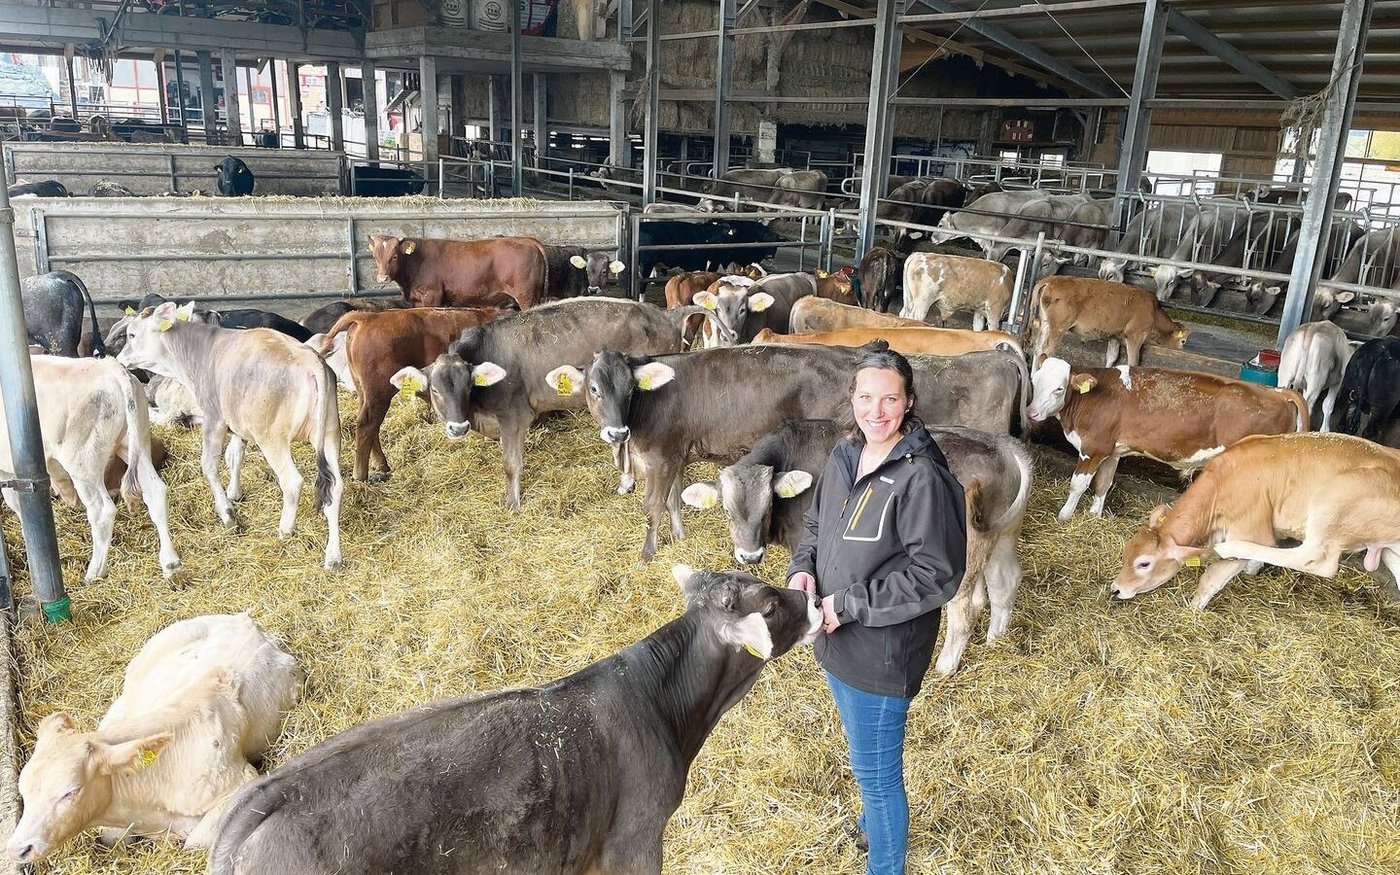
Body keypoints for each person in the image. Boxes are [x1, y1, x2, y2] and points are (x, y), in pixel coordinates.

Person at [786, 345, 967, 875]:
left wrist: (848, 603)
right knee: (864, 755)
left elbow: (936, 574)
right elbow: (817, 527)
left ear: (909, 402)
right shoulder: (845, 455)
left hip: (882, 654)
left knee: (878, 777)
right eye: (866, 397)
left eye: (890, 399)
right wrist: (804, 570)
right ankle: (870, 830)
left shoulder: (921, 477)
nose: (876, 411)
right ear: (852, 399)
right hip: (835, 638)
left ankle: (885, 864)